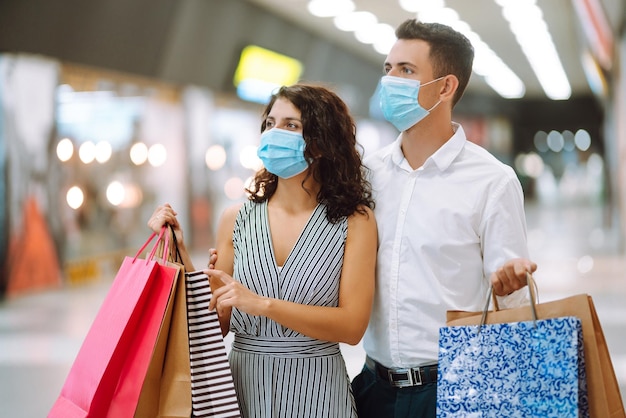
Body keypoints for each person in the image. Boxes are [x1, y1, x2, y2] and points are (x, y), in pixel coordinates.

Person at [148, 83, 377, 418]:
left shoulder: (354, 221)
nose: (274, 133)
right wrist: (179, 250)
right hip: (243, 389)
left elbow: (352, 327)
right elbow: (216, 324)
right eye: (270, 124)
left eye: (291, 125)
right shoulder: (236, 219)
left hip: (319, 392)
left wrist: (263, 305)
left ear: (322, 140)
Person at [350, 19, 538, 418]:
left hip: (456, 386)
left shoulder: (492, 181)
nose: (390, 81)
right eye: (388, 69)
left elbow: (513, 304)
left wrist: (510, 284)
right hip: (372, 388)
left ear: (446, 87)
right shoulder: (368, 172)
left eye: (406, 70)